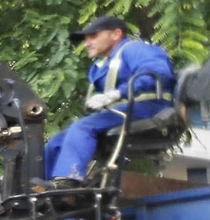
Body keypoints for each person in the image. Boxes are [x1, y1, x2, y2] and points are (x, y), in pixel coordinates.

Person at [44, 15, 176, 184]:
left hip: (149, 108)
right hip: (122, 112)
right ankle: (43, 186)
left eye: (93, 36)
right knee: (57, 142)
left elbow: (157, 72)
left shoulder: (135, 49)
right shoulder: (102, 65)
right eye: (86, 39)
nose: (87, 43)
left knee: (83, 126)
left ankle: (67, 180)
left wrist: (115, 94)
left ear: (116, 34)